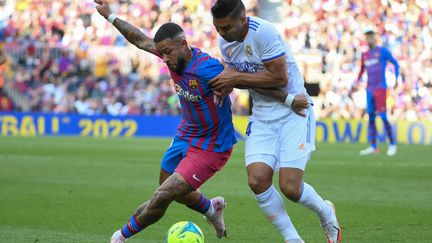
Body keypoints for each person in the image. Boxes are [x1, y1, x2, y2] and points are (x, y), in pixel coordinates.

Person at [94, 0, 237, 242]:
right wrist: (110, 16)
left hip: (212, 146)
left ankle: (120, 237)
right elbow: (139, 39)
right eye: (163, 53)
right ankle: (212, 210)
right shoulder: (169, 54)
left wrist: (229, 84)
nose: (165, 59)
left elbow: (238, 77)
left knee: (163, 194)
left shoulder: (207, 68)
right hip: (186, 134)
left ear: (184, 44)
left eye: (168, 52)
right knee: (172, 191)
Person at [208, 0, 342, 242]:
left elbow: (279, 77)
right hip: (262, 114)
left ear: (243, 19)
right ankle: (293, 239)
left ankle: (325, 212)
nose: (221, 33)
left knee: (290, 188)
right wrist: (227, 84)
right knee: (257, 180)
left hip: (295, 114)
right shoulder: (225, 43)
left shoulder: (264, 32)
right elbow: (238, 80)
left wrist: (236, 78)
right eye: (218, 28)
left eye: (226, 28)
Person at [355, 29, 399, 156]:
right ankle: (374, 146)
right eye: (366, 38)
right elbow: (361, 70)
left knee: (384, 117)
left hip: (380, 88)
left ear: (375, 38)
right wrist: (357, 81)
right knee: (371, 117)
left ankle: (392, 144)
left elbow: (395, 63)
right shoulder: (365, 55)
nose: (369, 40)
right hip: (369, 89)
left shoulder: (382, 51)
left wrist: (396, 79)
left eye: (371, 37)